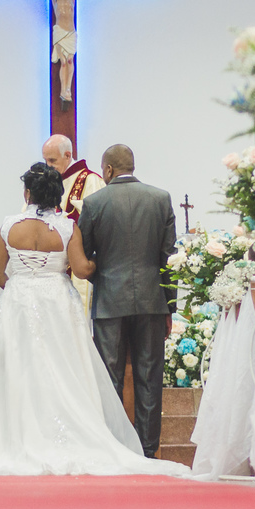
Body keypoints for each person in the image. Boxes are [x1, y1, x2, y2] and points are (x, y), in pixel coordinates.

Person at [0, 163, 189, 477]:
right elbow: (82, 269)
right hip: (57, 304)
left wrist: (17, 289)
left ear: (27, 193)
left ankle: (18, 438)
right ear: (56, 195)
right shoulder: (66, 228)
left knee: (21, 368)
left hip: (19, 305)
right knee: (64, 369)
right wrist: (97, 262)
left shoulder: (8, 226)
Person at [78, 145, 176, 459]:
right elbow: (169, 258)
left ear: (108, 169)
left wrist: (104, 275)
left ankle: (114, 449)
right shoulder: (160, 198)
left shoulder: (94, 203)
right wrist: (169, 307)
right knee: (150, 377)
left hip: (109, 302)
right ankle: (148, 451)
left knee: (110, 380)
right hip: (152, 300)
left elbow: (84, 256)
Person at [11, 0, 110, 103]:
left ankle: (68, 89)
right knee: (63, 62)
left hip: (70, 32)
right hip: (59, 31)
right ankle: (63, 90)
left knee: (70, 60)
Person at [42, 133, 104, 313]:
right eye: (45, 160)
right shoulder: (44, 184)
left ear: (68, 155)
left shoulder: (91, 181)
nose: (48, 166)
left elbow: (100, 225)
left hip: (79, 267)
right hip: (50, 269)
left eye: (52, 160)